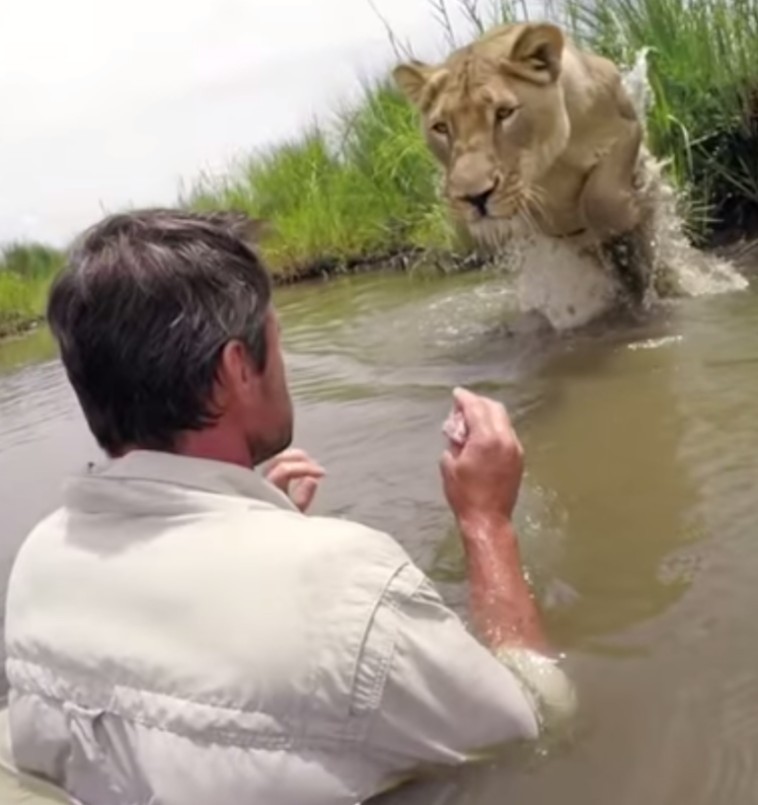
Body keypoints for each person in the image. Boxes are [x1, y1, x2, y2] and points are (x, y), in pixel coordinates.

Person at [1, 209, 574, 805]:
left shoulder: (38, 559)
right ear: (235, 370)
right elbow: (536, 723)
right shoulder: (346, 585)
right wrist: (486, 519)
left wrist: (264, 529)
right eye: (277, 341)